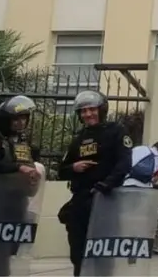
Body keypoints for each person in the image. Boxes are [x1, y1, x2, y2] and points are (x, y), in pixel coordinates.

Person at [58, 91, 132, 277]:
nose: (88, 114)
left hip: (107, 199)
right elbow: (61, 170)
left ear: (101, 110)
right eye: (83, 111)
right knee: (78, 253)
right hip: (81, 201)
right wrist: (74, 167)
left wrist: (105, 185)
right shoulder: (79, 137)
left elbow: (124, 164)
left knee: (103, 252)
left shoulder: (116, 131)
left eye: (91, 109)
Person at [0, 95, 42, 277]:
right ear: (6, 120)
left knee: (13, 251)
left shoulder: (24, 143)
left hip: (19, 203)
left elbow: (34, 166)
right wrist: (18, 167)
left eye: (24, 118)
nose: (21, 122)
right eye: (16, 119)